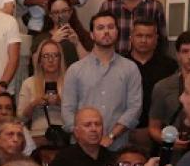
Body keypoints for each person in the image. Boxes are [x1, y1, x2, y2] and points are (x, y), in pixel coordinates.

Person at [61, 12, 142, 152]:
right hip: (81, 148)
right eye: (100, 28)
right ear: (92, 34)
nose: (106, 32)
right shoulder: (75, 70)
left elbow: (135, 108)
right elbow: (68, 110)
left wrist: (111, 136)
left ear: (117, 32)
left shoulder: (130, 68)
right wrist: (84, 138)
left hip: (118, 146)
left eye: (110, 27)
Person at [147, 30, 190, 157]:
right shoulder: (163, 87)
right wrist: (168, 141)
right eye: (185, 51)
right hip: (172, 156)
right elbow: (153, 128)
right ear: (178, 55)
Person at [50, 107, 116, 166]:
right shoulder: (63, 160)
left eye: (97, 124)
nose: (94, 129)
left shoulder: (113, 158)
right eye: (87, 125)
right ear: (76, 132)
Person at [126, 18, 178, 133]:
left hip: (161, 130)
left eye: (148, 36)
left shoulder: (169, 66)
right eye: (139, 36)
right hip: (124, 130)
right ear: (131, 37)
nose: (144, 40)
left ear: (156, 39)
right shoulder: (120, 64)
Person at [18, 38, 67, 142]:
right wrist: (33, 104)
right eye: (46, 56)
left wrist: (60, 102)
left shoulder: (70, 81)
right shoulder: (29, 83)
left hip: (64, 135)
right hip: (37, 136)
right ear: (40, 60)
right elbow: (20, 118)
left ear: (60, 59)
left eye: (55, 55)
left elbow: (79, 115)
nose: (51, 60)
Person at [33, 0, 93, 72]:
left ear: (70, 12)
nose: (60, 16)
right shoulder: (41, 38)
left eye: (64, 11)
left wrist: (77, 43)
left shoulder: (83, 35)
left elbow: (90, 67)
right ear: (50, 15)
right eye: (56, 12)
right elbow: (36, 65)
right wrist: (52, 42)